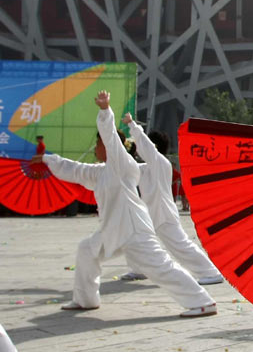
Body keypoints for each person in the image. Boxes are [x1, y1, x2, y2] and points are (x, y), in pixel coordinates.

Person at [32, 91, 217, 318]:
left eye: (97, 143)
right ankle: (85, 299)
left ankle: (203, 301)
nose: (95, 148)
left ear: (108, 146)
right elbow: (76, 170)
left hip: (133, 229)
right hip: (112, 230)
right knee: (87, 250)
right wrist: (48, 160)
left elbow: (111, 138)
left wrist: (105, 111)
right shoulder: (101, 172)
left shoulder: (122, 165)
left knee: (160, 266)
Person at [118, 113, 224, 286]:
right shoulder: (145, 167)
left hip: (163, 214)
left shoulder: (161, 163)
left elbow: (146, 147)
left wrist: (132, 125)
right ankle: (139, 269)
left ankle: (211, 272)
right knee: (134, 239)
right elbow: (126, 168)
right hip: (150, 215)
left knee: (180, 245)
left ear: (153, 146)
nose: (138, 149)